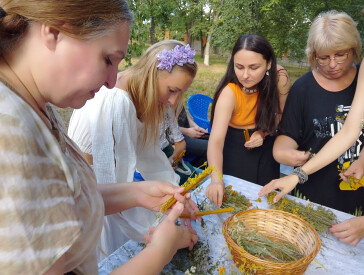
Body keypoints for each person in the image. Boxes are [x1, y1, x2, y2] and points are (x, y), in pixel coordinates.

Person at [0, 2, 198, 274]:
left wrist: (138, 192)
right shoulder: (11, 130)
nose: (111, 80)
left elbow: (66, 198)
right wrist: (159, 252)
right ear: (54, 32)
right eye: (107, 59)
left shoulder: (35, 105)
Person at [68, 40, 198, 261]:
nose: (173, 101)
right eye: (172, 90)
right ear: (152, 75)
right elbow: (115, 188)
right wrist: (157, 232)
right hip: (92, 196)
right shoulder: (117, 101)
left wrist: (176, 194)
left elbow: (148, 155)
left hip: (109, 193)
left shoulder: (141, 97)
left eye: (181, 93)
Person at [259, 11, 364, 245]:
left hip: (356, 201)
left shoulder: (361, 78)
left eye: (341, 55)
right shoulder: (304, 88)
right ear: (312, 55)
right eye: (324, 57)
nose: (333, 64)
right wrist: (286, 156)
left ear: (354, 49)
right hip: (314, 194)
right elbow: (347, 133)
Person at [206, 34, 290, 206]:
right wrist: (216, 179)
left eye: (253, 67)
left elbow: (281, 115)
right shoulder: (229, 93)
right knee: (239, 202)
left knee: (267, 200)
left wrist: (264, 132)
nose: (245, 75)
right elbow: (215, 142)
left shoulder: (279, 78)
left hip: (266, 147)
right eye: (239, 67)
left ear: (268, 64)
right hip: (235, 148)